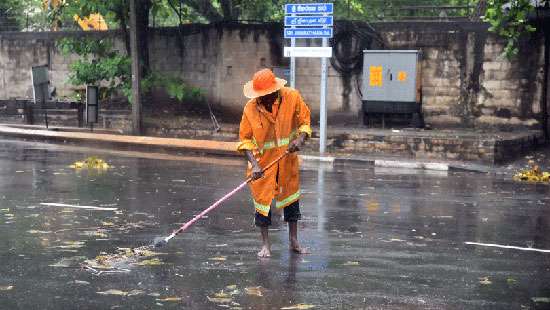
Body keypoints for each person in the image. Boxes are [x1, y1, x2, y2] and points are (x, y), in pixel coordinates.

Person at [237, 68, 312, 258]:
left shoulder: (292, 97)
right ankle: (265, 246)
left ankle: (294, 241)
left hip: (287, 161)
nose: (262, 99)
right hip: (262, 165)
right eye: (259, 96)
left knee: (291, 201)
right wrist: (254, 165)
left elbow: (305, 121)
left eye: (265, 95)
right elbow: (244, 140)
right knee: (263, 205)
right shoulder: (250, 108)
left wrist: (300, 140)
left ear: (274, 91)